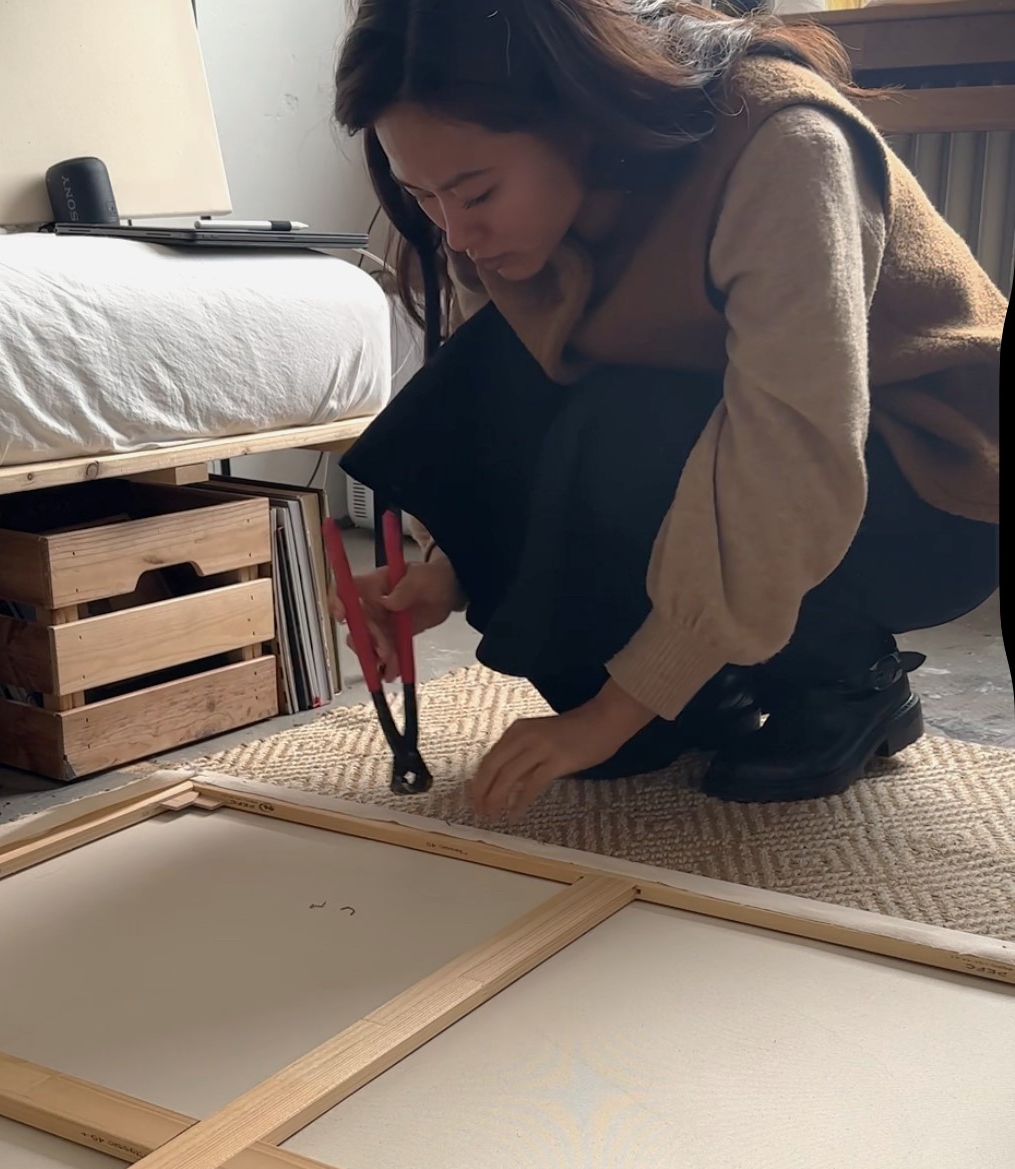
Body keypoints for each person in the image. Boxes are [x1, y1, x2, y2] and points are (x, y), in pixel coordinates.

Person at [330, 0, 1003, 822]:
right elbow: (504, 424)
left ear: (579, 119)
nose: (458, 234)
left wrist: (611, 713)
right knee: (499, 368)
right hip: (738, 432)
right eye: (424, 196)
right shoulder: (489, 220)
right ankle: (697, 694)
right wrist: (447, 569)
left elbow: (792, 455)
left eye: (475, 192)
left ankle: (845, 679)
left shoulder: (782, 143)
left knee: (627, 434)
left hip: (936, 488)